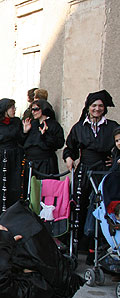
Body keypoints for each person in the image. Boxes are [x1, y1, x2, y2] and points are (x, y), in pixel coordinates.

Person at [63, 90, 118, 255]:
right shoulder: (79, 127)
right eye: (94, 105)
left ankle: (96, 246)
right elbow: (70, 148)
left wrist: (114, 160)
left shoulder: (113, 126)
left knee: (100, 206)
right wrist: (68, 158)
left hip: (103, 171)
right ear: (88, 107)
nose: (97, 108)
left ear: (105, 108)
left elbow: (119, 146)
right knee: (78, 205)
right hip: (84, 170)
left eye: (101, 106)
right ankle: (77, 243)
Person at [22, 99, 64, 176]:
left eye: (36, 109)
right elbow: (22, 143)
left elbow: (59, 144)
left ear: (43, 109)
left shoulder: (53, 125)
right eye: (32, 110)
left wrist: (45, 135)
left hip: (46, 163)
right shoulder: (31, 124)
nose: (33, 112)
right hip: (30, 162)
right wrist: (25, 132)